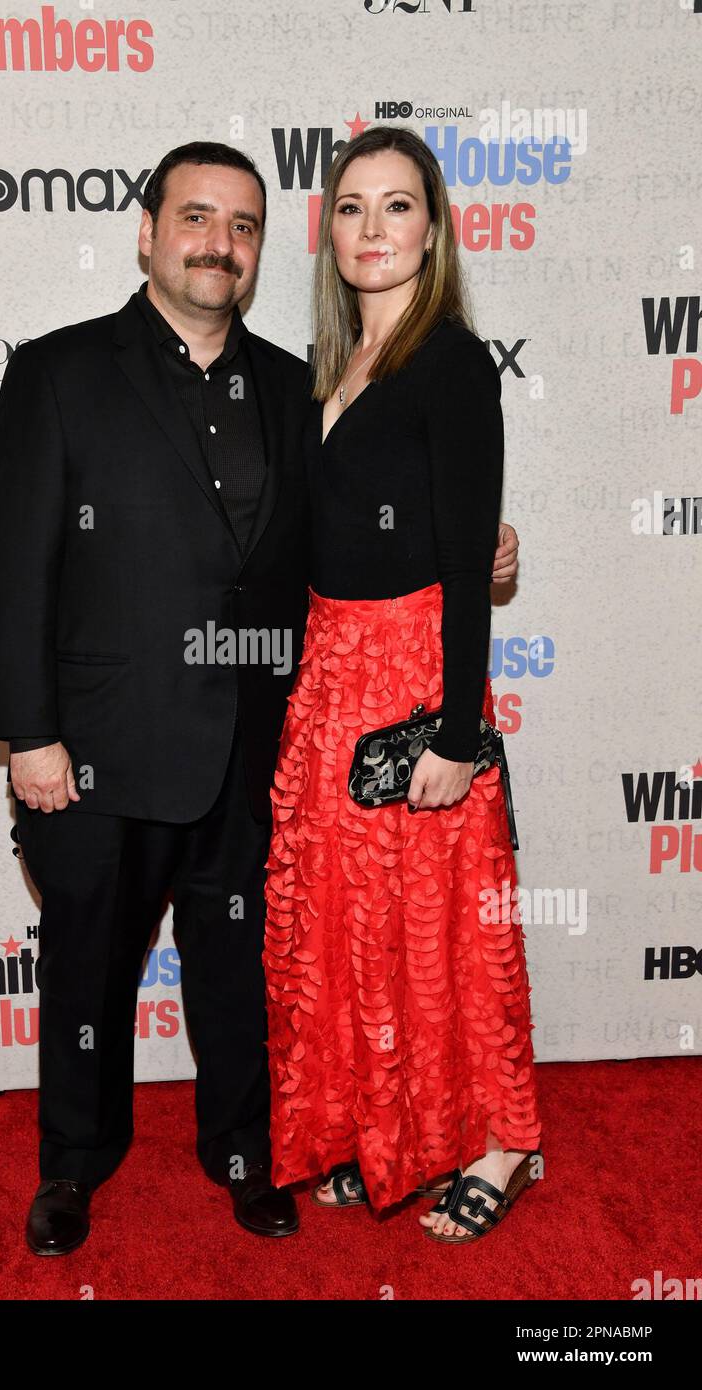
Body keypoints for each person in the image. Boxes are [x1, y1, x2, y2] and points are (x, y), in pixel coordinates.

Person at [0, 140, 521, 1256]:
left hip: (260, 742)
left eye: (243, 226)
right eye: (196, 219)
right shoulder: (57, 371)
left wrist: (485, 553)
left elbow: (379, 527)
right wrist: (30, 734)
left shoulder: (295, 381)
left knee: (239, 966)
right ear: (147, 232)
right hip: (103, 747)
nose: (218, 244)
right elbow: (16, 560)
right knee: (87, 962)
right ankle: (73, 1167)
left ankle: (245, 1155)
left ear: (265, 249)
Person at [262, 125, 543, 1244]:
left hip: (417, 675)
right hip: (331, 672)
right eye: (350, 207)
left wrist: (458, 735)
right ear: (327, 232)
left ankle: (501, 1141)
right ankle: (381, 1130)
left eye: (396, 206)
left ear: (432, 229)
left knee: (443, 933)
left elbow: (472, 567)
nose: (371, 228)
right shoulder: (329, 371)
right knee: (350, 921)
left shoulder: (452, 363)